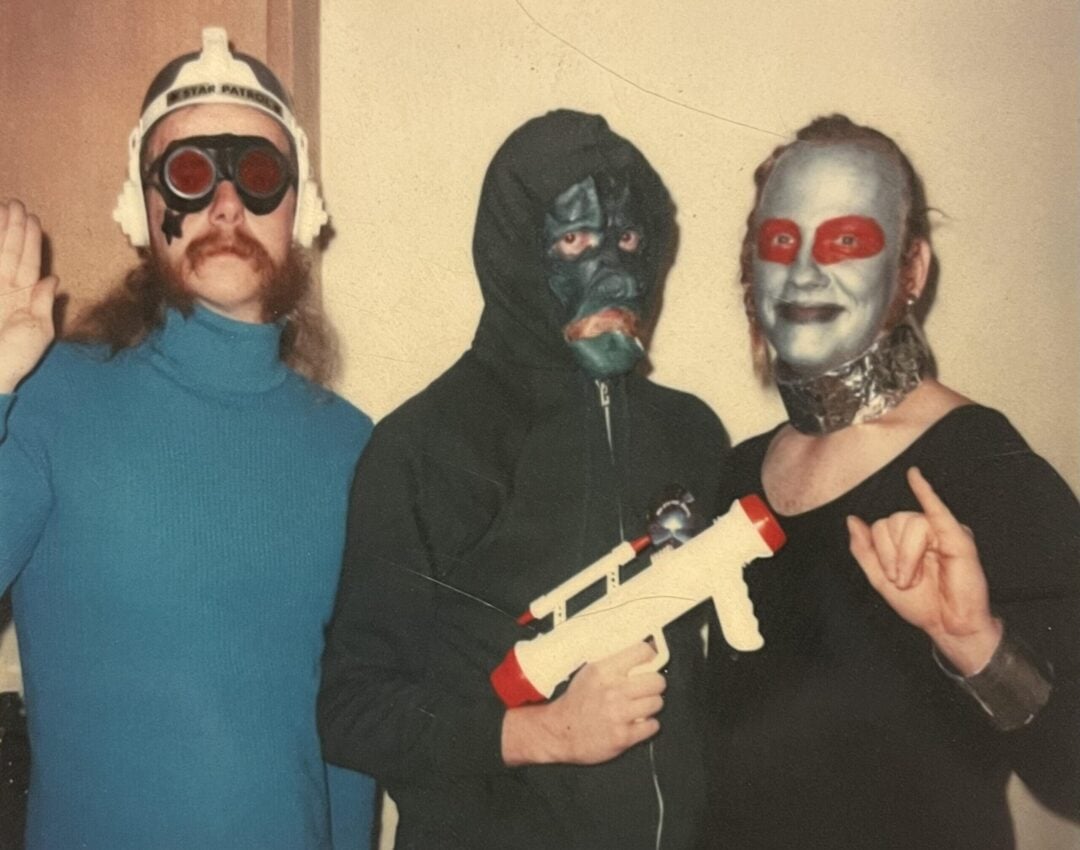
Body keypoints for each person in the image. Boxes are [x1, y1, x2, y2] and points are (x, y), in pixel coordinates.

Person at [0, 28, 375, 849]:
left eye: (260, 174)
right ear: (142, 209)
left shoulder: (352, 448)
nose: (227, 206)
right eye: (192, 174)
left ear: (301, 210)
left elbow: (344, 739)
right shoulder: (47, 397)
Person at [318, 110, 729, 849]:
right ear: (515, 252)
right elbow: (352, 709)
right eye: (573, 240)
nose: (613, 271)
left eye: (627, 239)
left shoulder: (692, 436)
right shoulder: (426, 445)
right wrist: (540, 733)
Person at [703, 114, 1080, 849]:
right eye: (781, 241)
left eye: (847, 240)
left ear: (912, 270)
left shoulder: (981, 464)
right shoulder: (738, 471)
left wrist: (974, 640)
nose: (805, 270)